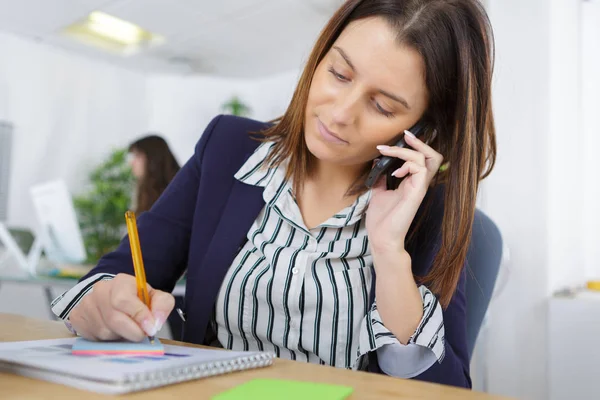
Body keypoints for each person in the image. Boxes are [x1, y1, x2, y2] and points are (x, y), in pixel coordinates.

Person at [51, 0, 496, 388]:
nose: (339, 114)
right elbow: (114, 274)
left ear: (422, 128)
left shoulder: (431, 212)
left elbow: (444, 389)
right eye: (339, 73)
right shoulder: (226, 150)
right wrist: (105, 302)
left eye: (382, 106)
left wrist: (389, 251)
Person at [127, 135, 185, 340]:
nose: (132, 162)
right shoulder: (149, 194)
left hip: (175, 293)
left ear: (151, 160)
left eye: (136, 156)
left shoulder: (171, 198)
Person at [127, 135, 181, 214]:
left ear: (153, 158)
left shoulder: (176, 195)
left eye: (137, 156)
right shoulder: (144, 195)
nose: (131, 163)